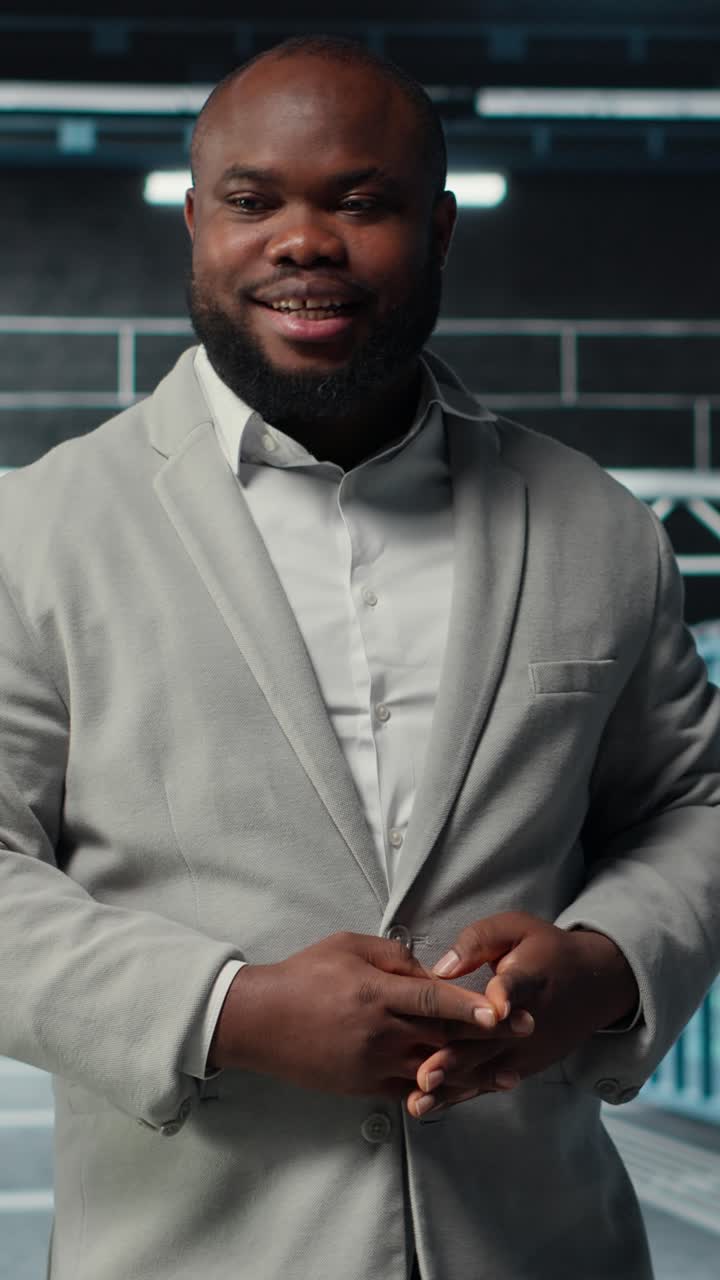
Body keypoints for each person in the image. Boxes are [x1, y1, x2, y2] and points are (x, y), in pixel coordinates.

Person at [0, 32, 718, 1280]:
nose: (304, 240)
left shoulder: (595, 521)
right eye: (253, 199)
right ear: (193, 224)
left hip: (545, 1248)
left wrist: (603, 968)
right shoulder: (41, 528)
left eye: (361, 201)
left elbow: (690, 806)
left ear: (439, 231)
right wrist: (231, 1008)